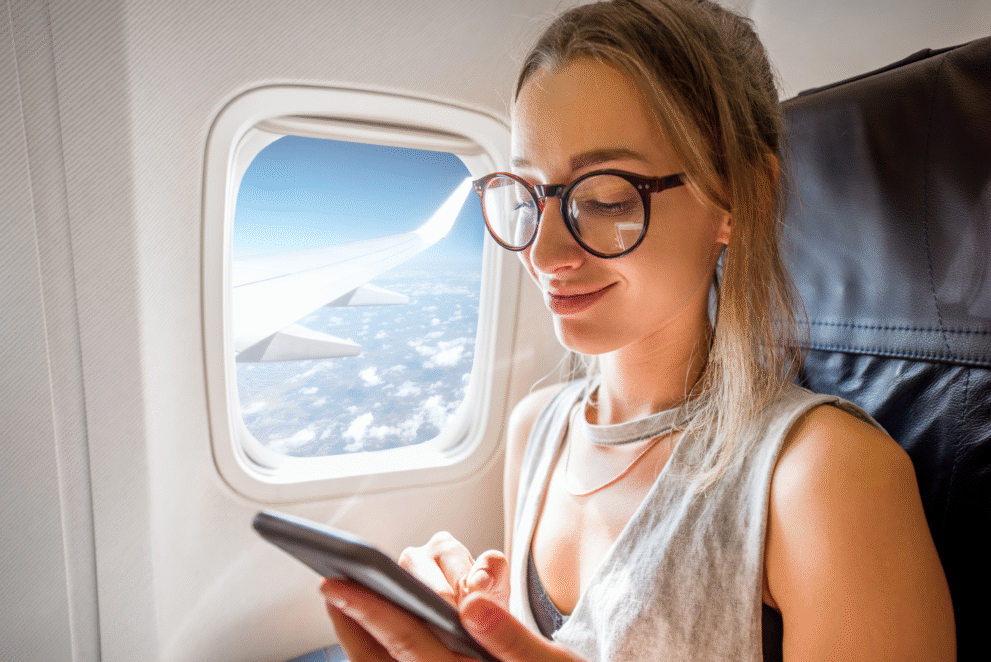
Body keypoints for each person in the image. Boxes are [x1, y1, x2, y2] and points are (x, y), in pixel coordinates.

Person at [320, 1, 956, 659]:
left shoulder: (825, 478)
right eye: (531, 195)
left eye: (607, 200)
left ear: (740, 196)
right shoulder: (537, 430)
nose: (543, 254)